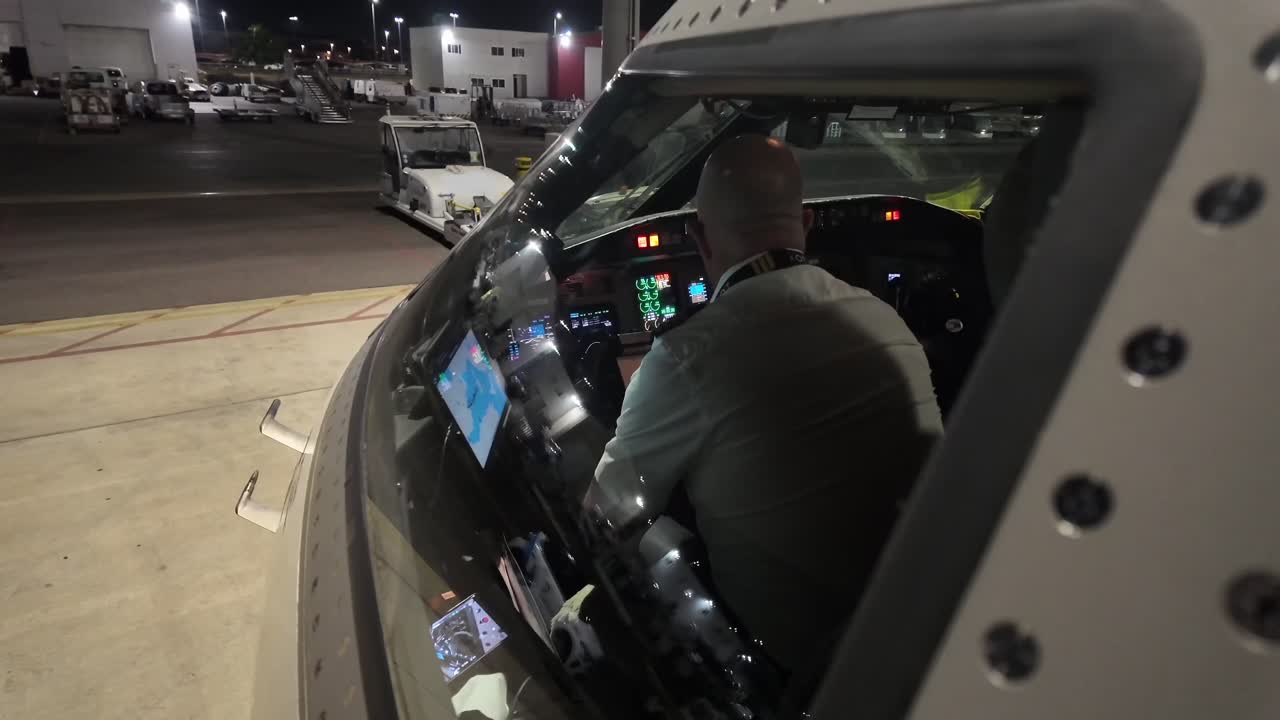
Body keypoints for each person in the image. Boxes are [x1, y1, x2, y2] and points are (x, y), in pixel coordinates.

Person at [585, 134, 943, 673]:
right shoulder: (885, 320)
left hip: (798, 671)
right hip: (921, 626)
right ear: (806, 223)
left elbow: (605, 519)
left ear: (701, 238)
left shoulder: (687, 356)